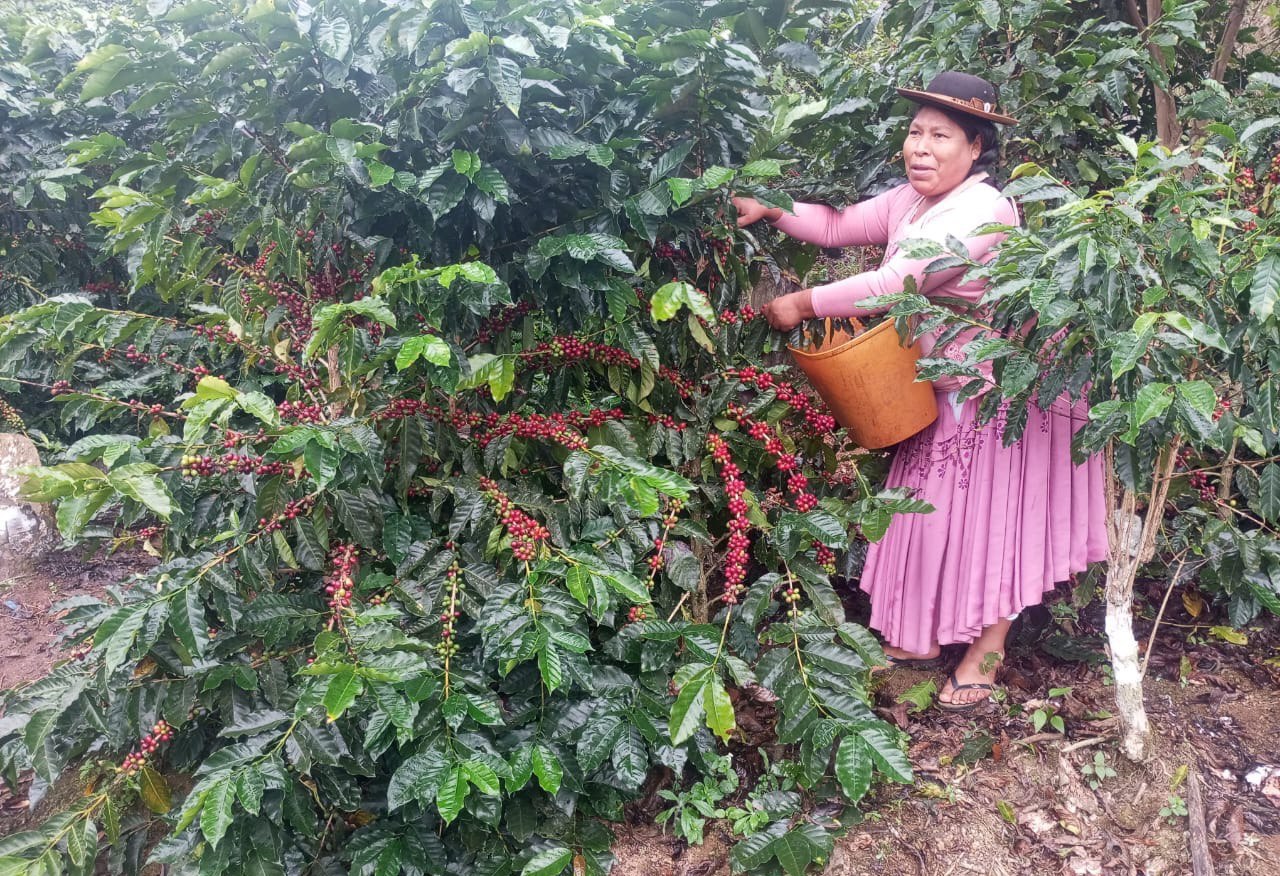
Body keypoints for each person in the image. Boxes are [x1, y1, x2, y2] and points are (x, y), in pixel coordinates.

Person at [733, 72, 1108, 710]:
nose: (921, 148)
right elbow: (836, 225)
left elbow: (900, 281)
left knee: (995, 521)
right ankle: (917, 637)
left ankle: (983, 659)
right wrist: (773, 208)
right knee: (928, 512)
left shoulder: (982, 210)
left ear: (976, 148)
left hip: (1000, 392)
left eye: (941, 136)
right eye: (914, 133)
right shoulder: (914, 200)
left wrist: (803, 301)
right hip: (937, 385)